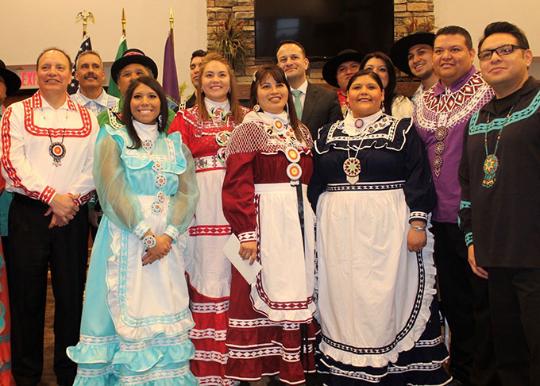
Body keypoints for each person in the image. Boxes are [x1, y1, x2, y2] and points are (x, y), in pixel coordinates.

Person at [308, 69, 449, 385]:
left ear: (382, 94)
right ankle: (346, 363)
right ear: (347, 94)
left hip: (388, 226)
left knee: (384, 289)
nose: (364, 91)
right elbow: (314, 182)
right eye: (357, 86)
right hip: (337, 229)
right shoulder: (325, 134)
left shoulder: (402, 130)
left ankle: (394, 363)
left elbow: (418, 175)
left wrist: (417, 222)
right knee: (344, 290)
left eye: (372, 86)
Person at [67, 76, 199, 384]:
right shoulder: (112, 137)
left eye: (152, 97)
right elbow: (111, 190)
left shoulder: (174, 143)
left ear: (161, 103)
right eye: (138, 97)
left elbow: (187, 193)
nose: (145, 103)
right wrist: (145, 234)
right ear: (128, 104)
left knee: (162, 309)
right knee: (120, 310)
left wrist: (168, 235)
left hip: (167, 241)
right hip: (124, 236)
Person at [0, 48, 98, 386]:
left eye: (59, 66)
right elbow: (12, 163)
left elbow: (94, 166)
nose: (52, 71)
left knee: (71, 296)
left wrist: (68, 202)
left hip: (71, 215)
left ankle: (69, 371)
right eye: (45, 66)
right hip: (28, 214)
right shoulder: (15, 112)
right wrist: (51, 198)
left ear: (70, 73)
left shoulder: (88, 117)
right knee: (27, 295)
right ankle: (27, 374)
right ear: (36, 73)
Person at [222, 64, 318, 385]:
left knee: (296, 288)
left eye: (279, 85)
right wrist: (246, 234)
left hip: (299, 222)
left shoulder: (301, 130)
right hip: (265, 222)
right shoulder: (248, 129)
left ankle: (290, 366)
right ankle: (258, 372)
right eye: (265, 87)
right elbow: (237, 183)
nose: (274, 91)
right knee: (261, 291)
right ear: (256, 95)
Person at [414, 26, 498, 386]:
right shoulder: (424, 100)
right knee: (453, 300)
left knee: (486, 300)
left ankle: (489, 372)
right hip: (437, 218)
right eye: (439, 50)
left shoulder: (488, 92)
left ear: (471, 53)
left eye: (454, 49)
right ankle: (464, 371)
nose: (445, 56)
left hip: (478, 215)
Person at [459, 21, 540, 386]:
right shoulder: (478, 118)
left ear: (527, 56)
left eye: (505, 50)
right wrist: (472, 240)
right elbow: (468, 187)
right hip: (493, 258)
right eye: (488, 53)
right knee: (509, 355)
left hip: (534, 255)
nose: (495, 58)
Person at [168, 52, 249, 385]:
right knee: (203, 276)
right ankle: (204, 366)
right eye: (209, 75)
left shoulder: (247, 119)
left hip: (238, 210)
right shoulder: (185, 120)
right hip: (201, 212)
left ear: (231, 81)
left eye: (222, 75)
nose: (215, 80)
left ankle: (235, 362)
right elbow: (174, 167)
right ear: (199, 82)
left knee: (235, 279)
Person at [276, 40, 342, 138]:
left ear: (306, 63)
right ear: (278, 67)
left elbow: (335, 136)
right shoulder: (273, 98)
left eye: (294, 57)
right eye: (283, 60)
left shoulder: (328, 97)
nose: (289, 63)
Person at [361, 51, 414, 119]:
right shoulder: (354, 103)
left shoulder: (401, 104)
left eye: (382, 69)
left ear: (390, 76)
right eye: (369, 69)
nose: (375, 73)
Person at [390, 31, 438, 103]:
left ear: (436, 54)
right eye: (411, 57)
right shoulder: (414, 100)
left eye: (421, 52)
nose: (415, 60)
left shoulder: (454, 91)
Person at [70, 50, 119, 116]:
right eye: (85, 66)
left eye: (96, 66)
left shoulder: (119, 106)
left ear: (103, 75)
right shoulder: (66, 105)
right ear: (76, 75)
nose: (91, 70)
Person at [322, 49, 363, 115]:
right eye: (342, 69)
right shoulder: (326, 103)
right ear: (336, 78)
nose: (349, 72)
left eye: (354, 66)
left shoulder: (376, 97)